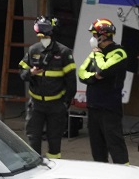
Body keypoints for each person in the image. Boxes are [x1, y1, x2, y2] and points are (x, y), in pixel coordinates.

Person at [19, 17, 77, 159]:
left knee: (54, 139)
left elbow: (71, 82)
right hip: (36, 105)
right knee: (33, 137)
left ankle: (54, 166)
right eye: (40, 36)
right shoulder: (33, 50)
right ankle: (35, 166)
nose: (43, 38)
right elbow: (22, 73)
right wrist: (30, 73)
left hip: (56, 105)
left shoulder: (64, 52)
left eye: (45, 35)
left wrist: (65, 103)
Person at [78, 18, 132, 165]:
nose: (93, 38)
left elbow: (103, 69)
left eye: (95, 35)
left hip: (109, 108)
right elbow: (82, 73)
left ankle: (124, 176)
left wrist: (97, 57)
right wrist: (94, 77)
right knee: (97, 149)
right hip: (93, 106)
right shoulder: (96, 53)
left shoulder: (119, 53)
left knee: (115, 145)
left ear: (104, 35)